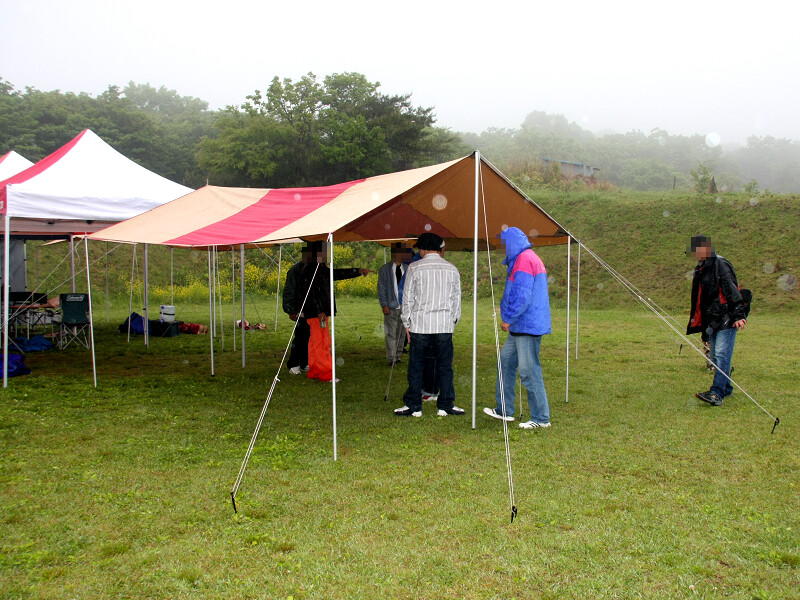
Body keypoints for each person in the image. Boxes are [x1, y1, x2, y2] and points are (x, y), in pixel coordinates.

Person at [483, 226, 552, 429]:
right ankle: (504, 410)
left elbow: (522, 295)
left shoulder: (524, 260)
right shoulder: (523, 258)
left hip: (526, 325)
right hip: (522, 324)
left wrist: (509, 318)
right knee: (505, 361)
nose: (502, 247)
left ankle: (541, 418)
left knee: (529, 371)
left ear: (512, 243)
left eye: (504, 243)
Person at [394, 232, 463, 417]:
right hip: (444, 325)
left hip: (420, 326)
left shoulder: (414, 268)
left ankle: (414, 406)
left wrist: (406, 322)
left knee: (416, 366)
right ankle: (445, 405)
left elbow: (408, 298)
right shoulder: (451, 269)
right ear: (439, 249)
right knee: (445, 367)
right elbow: (456, 299)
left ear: (422, 249)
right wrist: (453, 320)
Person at [686, 235, 748, 406]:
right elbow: (701, 298)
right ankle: (726, 387)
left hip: (726, 317)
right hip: (712, 319)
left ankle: (716, 393)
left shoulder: (720, 263)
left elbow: (731, 287)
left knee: (721, 355)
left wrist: (738, 315)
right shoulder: (702, 267)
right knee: (715, 356)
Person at [302, 241, 370, 382]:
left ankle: (315, 370)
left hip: (317, 312)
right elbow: (310, 293)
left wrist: (357, 271)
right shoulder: (311, 270)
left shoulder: (319, 268)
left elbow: (337, 273)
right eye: (324, 252)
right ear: (317, 253)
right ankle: (326, 373)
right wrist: (319, 310)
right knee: (322, 342)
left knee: (315, 342)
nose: (327, 255)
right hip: (317, 313)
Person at [377, 243, 411, 365]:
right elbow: (381, 288)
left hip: (405, 307)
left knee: (401, 333)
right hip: (391, 307)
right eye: (402, 252)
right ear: (395, 253)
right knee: (391, 333)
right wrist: (384, 304)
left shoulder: (408, 268)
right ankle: (391, 358)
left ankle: (398, 356)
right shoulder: (384, 269)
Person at [282, 246, 312, 375]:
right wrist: (291, 310)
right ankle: (293, 364)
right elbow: (289, 291)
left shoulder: (313, 270)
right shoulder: (295, 270)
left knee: (309, 337)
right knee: (300, 337)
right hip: (299, 309)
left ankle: (304, 363)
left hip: (311, 309)